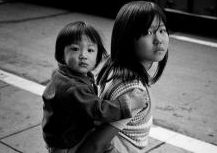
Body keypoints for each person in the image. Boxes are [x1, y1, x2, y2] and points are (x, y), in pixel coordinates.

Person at [76, 1, 169, 153]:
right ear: (128, 39)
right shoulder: (133, 91)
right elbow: (96, 145)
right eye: (148, 33)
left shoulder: (111, 64)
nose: (159, 39)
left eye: (162, 30)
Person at [42, 21, 147, 152]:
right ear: (61, 55)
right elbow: (99, 111)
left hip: (65, 136)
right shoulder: (73, 88)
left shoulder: (67, 75)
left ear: (97, 57)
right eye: (75, 49)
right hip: (68, 144)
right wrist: (129, 104)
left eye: (90, 50)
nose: (83, 55)